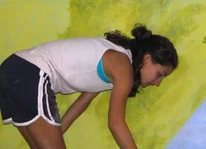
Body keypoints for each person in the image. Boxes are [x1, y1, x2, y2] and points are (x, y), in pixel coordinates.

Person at [0, 24, 178, 149]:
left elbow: (82, 102)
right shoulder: (123, 66)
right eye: (160, 74)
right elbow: (116, 123)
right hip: (32, 72)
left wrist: (56, 133)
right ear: (147, 59)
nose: (158, 83)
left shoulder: (115, 61)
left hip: (14, 69)